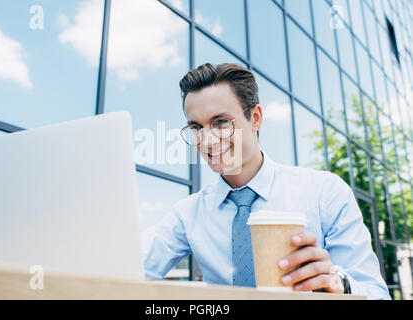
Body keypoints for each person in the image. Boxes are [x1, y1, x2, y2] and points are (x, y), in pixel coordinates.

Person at [142, 63, 390, 300]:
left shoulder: (325, 193)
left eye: (220, 122)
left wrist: (340, 284)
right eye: (196, 127)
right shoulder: (189, 214)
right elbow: (130, 265)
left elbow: (377, 294)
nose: (206, 140)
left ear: (256, 118)